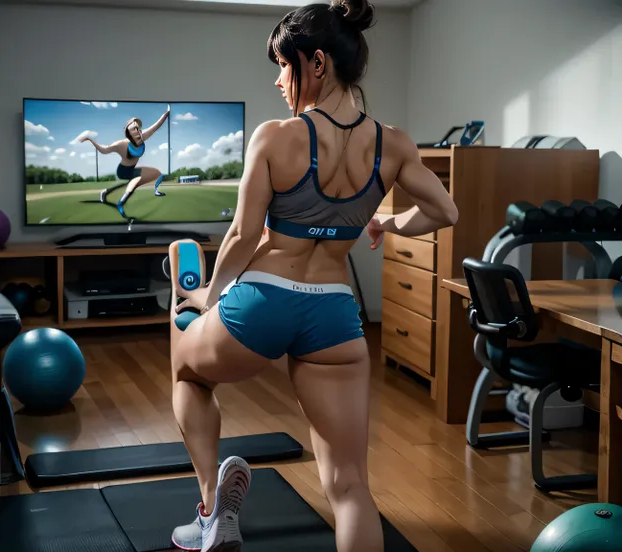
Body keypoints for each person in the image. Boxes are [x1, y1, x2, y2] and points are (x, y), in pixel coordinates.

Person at [168, 0, 459, 551]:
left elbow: (241, 236)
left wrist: (207, 296)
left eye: (284, 65)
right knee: (350, 488)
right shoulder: (393, 144)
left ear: (317, 62)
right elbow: (447, 214)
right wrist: (387, 222)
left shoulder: (276, 136)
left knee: (186, 365)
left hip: (262, 301)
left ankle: (211, 511)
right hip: (334, 313)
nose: (280, 81)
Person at [80, 105, 171, 218]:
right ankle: (121, 203)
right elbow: (104, 150)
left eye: (139, 128)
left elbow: (156, 126)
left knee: (156, 173)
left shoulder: (142, 137)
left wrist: (167, 113)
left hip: (132, 169)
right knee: (134, 181)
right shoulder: (122, 144)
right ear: (129, 132)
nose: (139, 130)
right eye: (135, 128)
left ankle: (107, 192)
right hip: (123, 171)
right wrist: (90, 140)